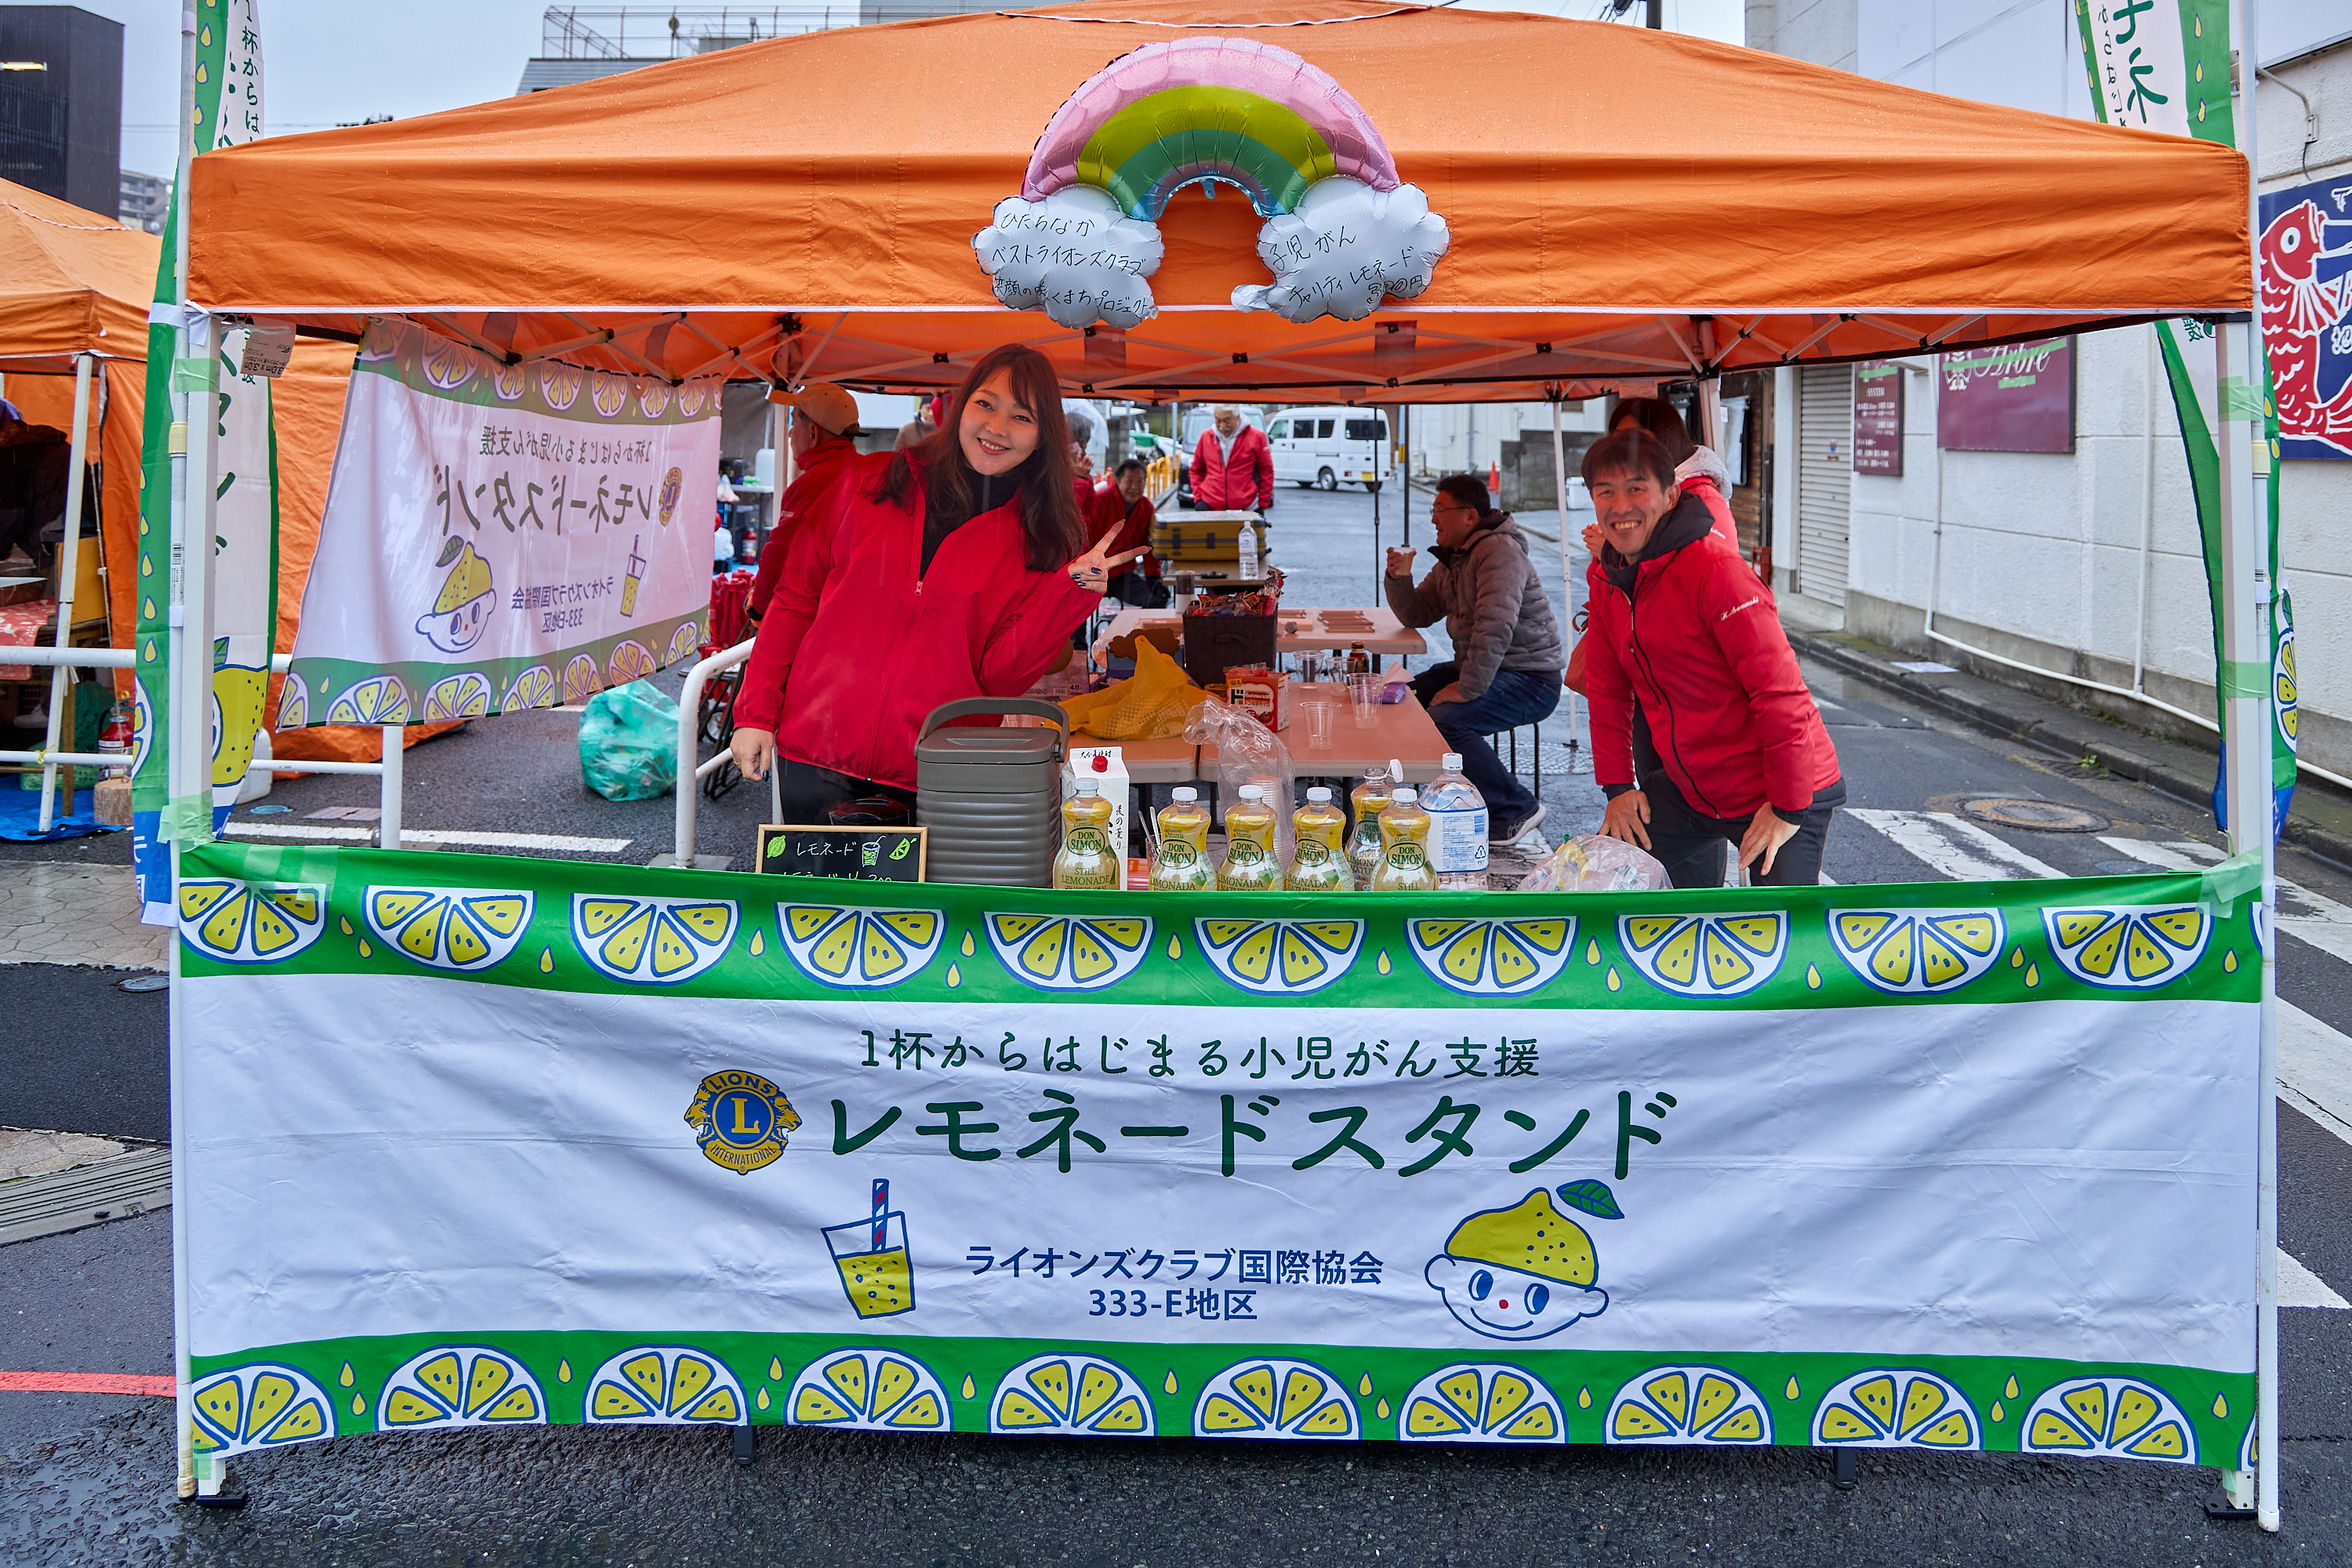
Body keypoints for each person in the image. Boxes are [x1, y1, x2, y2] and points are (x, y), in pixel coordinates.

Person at [728, 345, 1142, 822]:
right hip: (816, 750)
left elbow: (998, 677)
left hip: (940, 764)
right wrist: (755, 714)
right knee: (817, 898)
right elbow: (795, 600)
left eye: (1021, 416)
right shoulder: (867, 481)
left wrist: (1067, 592)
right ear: (961, 404)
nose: (997, 428)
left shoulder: (1039, 537)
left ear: (1043, 435)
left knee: (924, 900)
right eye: (985, 404)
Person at [1581, 427, 1843, 887]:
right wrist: (1619, 788)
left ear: (1670, 494)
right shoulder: (1607, 578)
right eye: (1606, 492)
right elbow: (1606, 688)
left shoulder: (1716, 570)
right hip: (1693, 791)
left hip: (1777, 790)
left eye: (1636, 488)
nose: (1621, 507)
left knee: (1779, 932)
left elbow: (1779, 693)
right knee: (1602, 881)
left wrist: (1788, 806)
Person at [1383, 474, 1563, 844]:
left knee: (1447, 719)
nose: (1433, 518)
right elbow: (1419, 612)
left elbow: (1494, 629)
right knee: (1409, 694)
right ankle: (1438, 796)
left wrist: (1465, 690)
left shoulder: (1499, 552)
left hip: (1530, 680)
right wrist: (1398, 579)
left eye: (1439, 509)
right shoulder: (1456, 559)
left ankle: (1515, 808)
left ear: (1469, 516)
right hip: (1488, 668)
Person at [746, 381, 862, 624]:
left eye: (794, 423)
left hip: (809, 616)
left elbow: (781, 552)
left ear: (812, 433)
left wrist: (759, 606)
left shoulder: (813, 483)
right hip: (849, 610)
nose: (789, 432)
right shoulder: (865, 471)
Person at [1091, 458, 1163, 607]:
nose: (1134, 487)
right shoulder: (1099, 500)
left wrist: (1153, 577)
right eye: (1129, 481)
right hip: (1092, 573)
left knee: (1156, 602)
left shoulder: (1146, 508)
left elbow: (1150, 545)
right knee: (1072, 616)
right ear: (1117, 481)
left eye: (1140, 482)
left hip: (1122, 575)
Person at [1189, 405, 1274, 512]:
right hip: (1210, 506)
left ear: (1238, 417)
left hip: (1248, 507)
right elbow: (1196, 470)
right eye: (1218, 420)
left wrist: (1262, 503)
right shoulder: (1205, 437)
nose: (1222, 425)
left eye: (1227, 420)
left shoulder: (1257, 437)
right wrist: (1199, 498)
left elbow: (1266, 470)